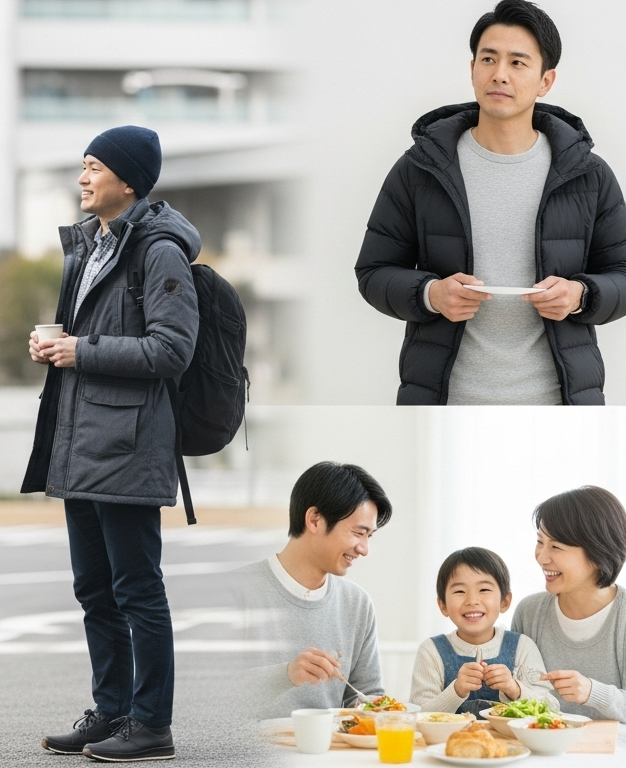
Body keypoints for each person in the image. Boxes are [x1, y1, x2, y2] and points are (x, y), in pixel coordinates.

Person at [21, 124, 199, 762]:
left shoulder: (160, 251)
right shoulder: (88, 249)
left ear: (129, 180)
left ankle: (152, 724)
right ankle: (112, 711)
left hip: (128, 445)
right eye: (83, 166)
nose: (83, 178)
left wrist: (79, 349)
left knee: (137, 590)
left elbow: (173, 349)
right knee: (94, 589)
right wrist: (55, 346)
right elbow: (82, 343)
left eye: (94, 167)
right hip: (81, 442)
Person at [354, 0, 626, 405]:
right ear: (472, 69)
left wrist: (580, 295)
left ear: (545, 81)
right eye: (489, 59)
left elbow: (622, 274)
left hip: (560, 405)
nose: (500, 75)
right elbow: (373, 272)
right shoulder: (421, 168)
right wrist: (431, 294)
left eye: (518, 63)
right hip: (444, 402)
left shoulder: (588, 175)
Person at [237, 462, 393, 721]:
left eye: (369, 536)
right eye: (357, 533)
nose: (364, 549)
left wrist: (373, 708)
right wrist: (287, 674)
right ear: (314, 520)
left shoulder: (357, 603)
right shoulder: (237, 590)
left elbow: (366, 695)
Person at [511, 486, 626, 722]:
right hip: (541, 752)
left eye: (556, 547)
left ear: (597, 553)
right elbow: (517, 699)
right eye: (540, 542)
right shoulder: (529, 613)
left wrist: (593, 692)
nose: (542, 557)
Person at [410, 547, 556, 714]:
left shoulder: (523, 646)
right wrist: (456, 691)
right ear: (443, 605)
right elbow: (418, 714)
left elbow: (551, 709)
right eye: (459, 591)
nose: (472, 600)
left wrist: (515, 688)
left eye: (484, 590)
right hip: (450, 741)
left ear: (504, 602)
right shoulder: (431, 651)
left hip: (511, 740)